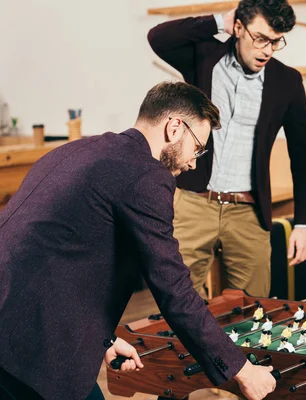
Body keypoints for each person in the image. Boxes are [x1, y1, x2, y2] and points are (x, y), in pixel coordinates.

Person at [0, 82, 275, 400]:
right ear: (174, 128)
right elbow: (174, 291)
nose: (193, 162)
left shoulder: (83, 149)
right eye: (197, 147)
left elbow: (58, 253)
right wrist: (242, 370)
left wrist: (100, 339)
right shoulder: (147, 174)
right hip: (29, 346)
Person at [147, 0, 306, 299]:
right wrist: (215, 21)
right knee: (177, 301)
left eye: (276, 42)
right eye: (261, 38)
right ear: (238, 27)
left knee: (255, 309)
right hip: (194, 203)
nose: (267, 50)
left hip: (249, 211)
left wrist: (304, 223)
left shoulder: (287, 81)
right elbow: (159, 38)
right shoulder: (204, 57)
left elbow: (302, 155)